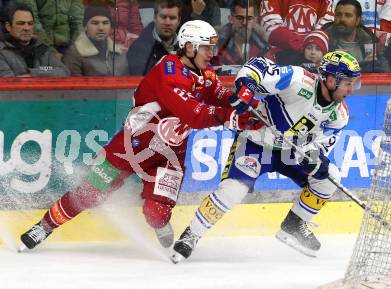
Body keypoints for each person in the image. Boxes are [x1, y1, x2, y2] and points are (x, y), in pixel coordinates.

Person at [19, 19, 261, 252]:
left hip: (170, 155)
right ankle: (44, 227)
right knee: (89, 193)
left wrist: (247, 104)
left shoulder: (205, 74)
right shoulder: (169, 72)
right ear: (189, 47)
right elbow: (194, 114)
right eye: (207, 48)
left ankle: (158, 221)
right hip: (131, 147)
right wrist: (237, 118)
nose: (211, 54)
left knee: (157, 214)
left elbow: (222, 97)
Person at [170, 50, 362, 263]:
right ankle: (191, 234)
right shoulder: (298, 80)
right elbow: (258, 67)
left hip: (291, 152)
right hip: (256, 142)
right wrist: (246, 87)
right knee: (234, 189)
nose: (351, 90)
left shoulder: (339, 115)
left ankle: (294, 224)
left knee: (329, 177)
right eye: (348, 83)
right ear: (331, 79)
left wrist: (316, 160)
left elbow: (320, 145)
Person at [0, 3, 70, 77]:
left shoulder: (42, 49)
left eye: (30, 23)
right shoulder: (2, 52)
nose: (27, 28)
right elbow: (8, 82)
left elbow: (64, 71)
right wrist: (46, 72)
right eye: (20, 23)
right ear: (8, 27)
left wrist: (33, 74)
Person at [323, 0, 389, 72]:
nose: (342, 19)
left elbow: (385, 71)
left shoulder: (370, 41)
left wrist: (371, 65)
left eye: (348, 15)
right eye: (338, 15)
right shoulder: (322, 40)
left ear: (357, 20)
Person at [62, 5, 129, 76]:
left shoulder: (120, 52)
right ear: (85, 26)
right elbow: (75, 85)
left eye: (105, 23)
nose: (101, 28)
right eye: (95, 23)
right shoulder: (74, 54)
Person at [260, 0, 334, 55]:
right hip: (279, 57)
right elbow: (272, 30)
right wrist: (306, 47)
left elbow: (325, 34)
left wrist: (309, 49)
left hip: (312, 59)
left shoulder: (326, 2)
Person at [127, 0, 181, 76]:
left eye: (172, 18)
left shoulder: (186, 47)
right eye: (163, 17)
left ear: (179, 21)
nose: (167, 23)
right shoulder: (138, 48)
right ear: (154, 18)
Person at [16, 0, 84, 59]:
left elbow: (77, 22)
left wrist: (74, 50)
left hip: (66, 46)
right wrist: (50, 50)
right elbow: (32, 22)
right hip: (37, 45)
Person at [211, 0, 270, 66]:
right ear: (231, 19)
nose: (244, 22)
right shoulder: (219, 44)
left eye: (249, 18)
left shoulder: (263, 46)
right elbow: (213, 70)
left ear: (255, 20)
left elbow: (269, 71)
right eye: (239, 18)